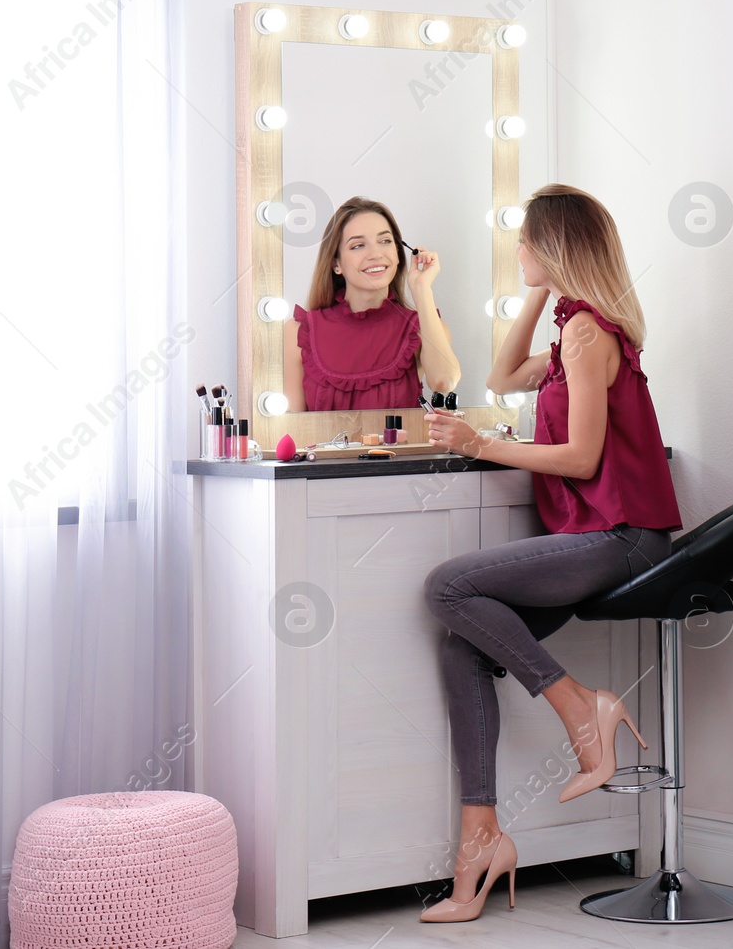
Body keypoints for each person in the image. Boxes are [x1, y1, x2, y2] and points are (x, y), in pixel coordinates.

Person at [418, 184, 681, 922]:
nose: (518, 251)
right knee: (460, 647)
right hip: (591, 537)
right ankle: (480, 845)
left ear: (556, 247)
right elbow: (501, 376)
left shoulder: (589, 334)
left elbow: (581, 455)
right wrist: (538, 290)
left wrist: (481, 443)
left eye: (528, 242)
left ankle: (582, 709)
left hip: (622, 539)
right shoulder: (574, 324)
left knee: (445, 589)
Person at [284, 196, 460, 411]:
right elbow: (292, 428)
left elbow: (444, 382)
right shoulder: (299, 332)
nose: (375, 254)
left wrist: (421, 289)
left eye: (385, 241)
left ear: (397, 252)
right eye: (358, 245)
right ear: (336, 263)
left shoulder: (424, 326)